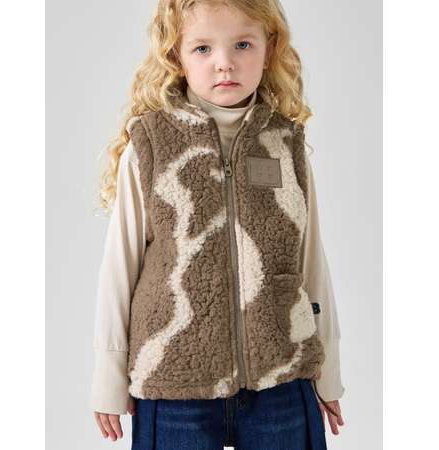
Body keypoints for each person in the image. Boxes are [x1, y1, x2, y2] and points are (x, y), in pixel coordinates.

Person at [90, 1, 346, 448]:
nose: (224, 63)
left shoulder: (285, 144)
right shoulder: (150, 146)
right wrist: (108, 376)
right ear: (177, 56)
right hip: (174, 379)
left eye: (242, 45)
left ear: (269, 49)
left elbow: (311, 264)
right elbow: (119, 268)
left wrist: (329, 375)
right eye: (203, 48)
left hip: (282, 377)